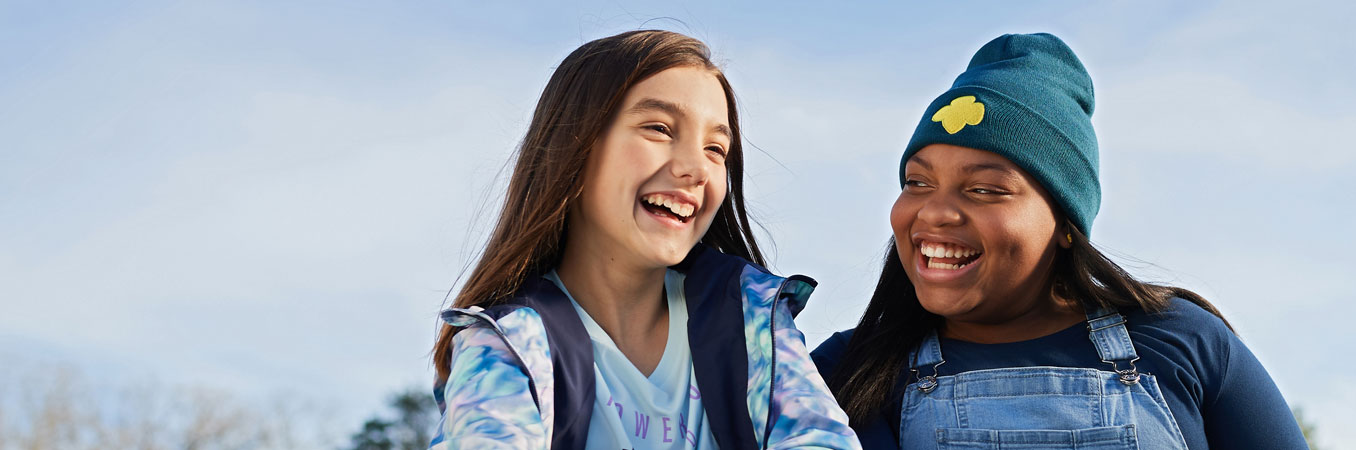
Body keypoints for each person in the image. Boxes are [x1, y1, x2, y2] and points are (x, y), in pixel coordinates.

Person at [810, 32, 1309, 450]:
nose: (934, 211)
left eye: (985, 189)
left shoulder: (1183, 342)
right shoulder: (841, 375)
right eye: (917, 183)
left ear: (1067, 224)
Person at [429, 30, 858, 450]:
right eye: (659, 128)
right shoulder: (506, 346)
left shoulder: (755, 319)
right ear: (574, 147)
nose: (696, 168)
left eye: (716, 149)